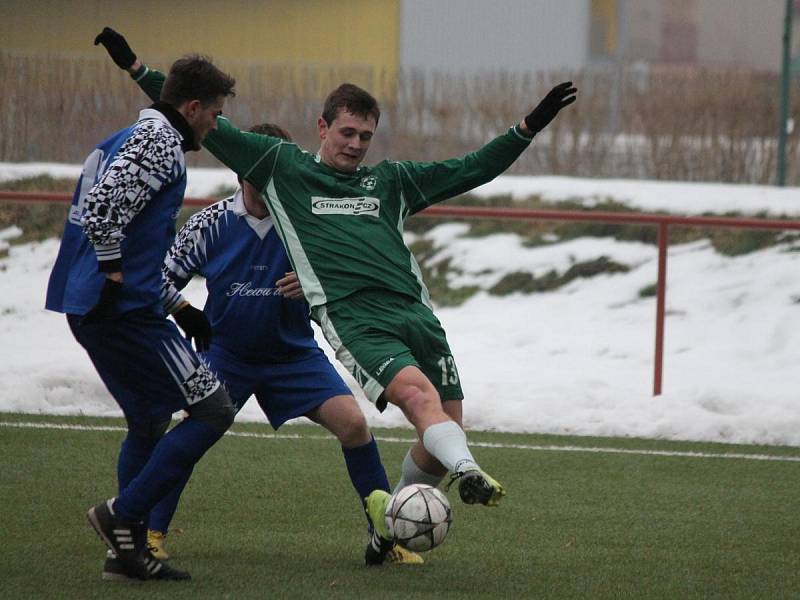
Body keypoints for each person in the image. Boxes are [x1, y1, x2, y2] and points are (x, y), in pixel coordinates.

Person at [95, 27, 577, 562]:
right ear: (322, 128)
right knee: (201, 429)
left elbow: (471, 169)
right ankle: (145, 526)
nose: (354, 143)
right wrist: (139, 70)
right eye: (346, 131)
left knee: (368, 424)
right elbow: (197, 113)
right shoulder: (276, 172)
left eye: (365, 136)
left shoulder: (389, 182)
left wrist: (527, 127)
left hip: (323, 343)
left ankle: (387, 530)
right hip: (259, 345)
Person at [146, 122, 422, 566]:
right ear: (241, 166)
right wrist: (182, 309)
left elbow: (356, 273)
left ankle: (386, 537)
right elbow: (156, 281)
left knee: (353, 424)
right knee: (191, 435)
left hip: (295, 355)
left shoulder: (308, 223)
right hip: (224, 356)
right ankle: (151, 533)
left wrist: (318, 281)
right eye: (262, 164)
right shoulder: (209, 224)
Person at [45, 37, 236, 581]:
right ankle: (121, 516)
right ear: (193, 108)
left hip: (102, 307)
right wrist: (111, 270)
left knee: (150, 420)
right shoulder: (160, 144)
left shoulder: (131, 134)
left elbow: (121, 225)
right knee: (214, 408)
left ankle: (125, 555)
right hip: (120, 312)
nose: (216, 127)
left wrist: (177, 304)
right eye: (215, 115)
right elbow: (106, 210)